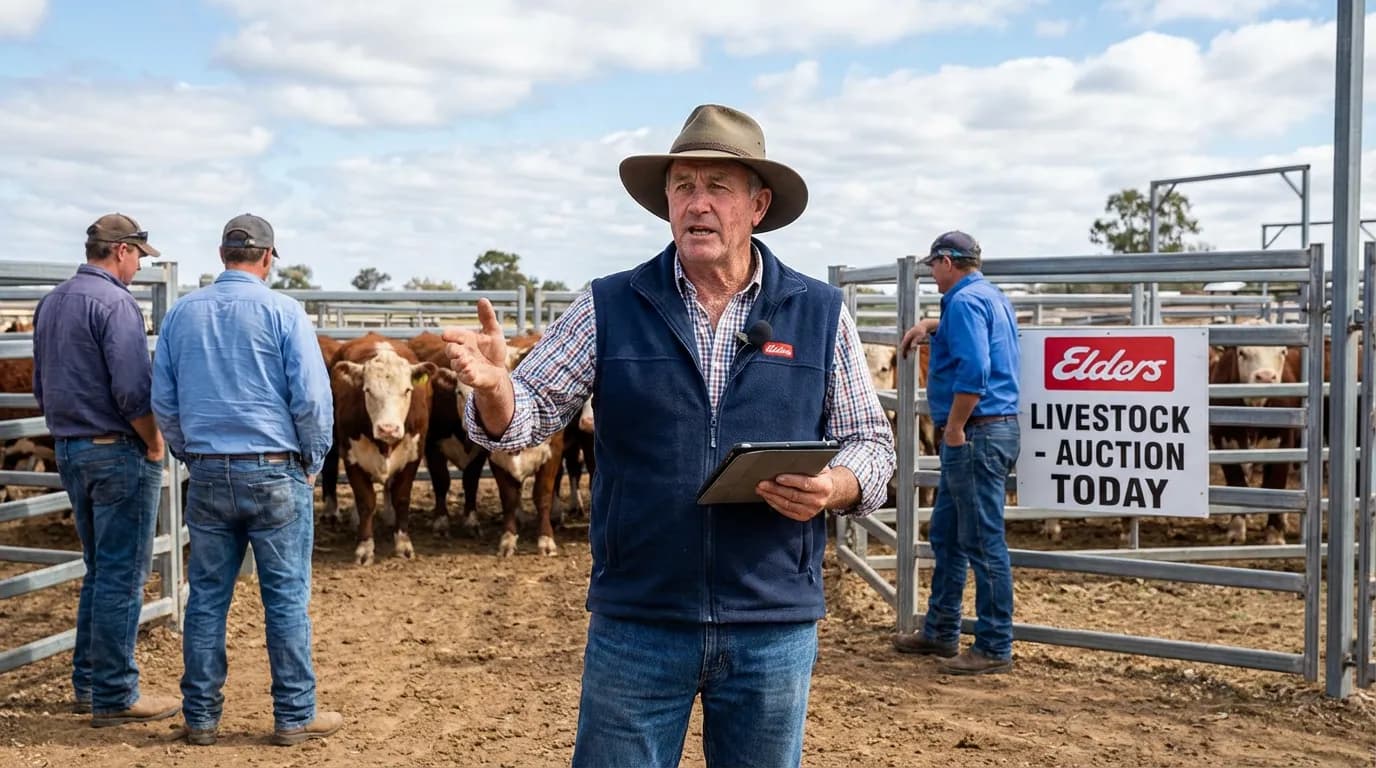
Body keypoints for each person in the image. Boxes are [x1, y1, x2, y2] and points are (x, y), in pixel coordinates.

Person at [444, 104, 895, 767]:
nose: (697, 203)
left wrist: (833, 486)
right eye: (683, 186)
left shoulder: (819, 313)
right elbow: (527, 414)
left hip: (771, 621)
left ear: (758, 204)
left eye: (717, 186)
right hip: (640, 619)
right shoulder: (611, 304)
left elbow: (872, 445)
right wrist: (494, 389)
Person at [151, 214, 339, 746]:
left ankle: (201, 717)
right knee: (285, 596)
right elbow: (311, 398)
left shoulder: (183, 313)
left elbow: (163, 399)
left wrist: (190, 454)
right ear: (267, 258)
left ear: (221, 254)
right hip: (275, 468)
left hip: (209, 472)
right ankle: (295, 715)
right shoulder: (284, 310)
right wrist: (312, 460)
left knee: (207, 596)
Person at [32, 213, 178, 726]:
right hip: (116, 449)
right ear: (120, 250)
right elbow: (132, 390)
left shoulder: (52, 301)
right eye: (139, 255)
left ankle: (89, 684)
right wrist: (155, 442)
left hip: (70, 447)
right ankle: (116, 694)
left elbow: (40, 386)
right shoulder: (115, 302)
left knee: (101, 570)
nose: (139, 265)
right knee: (123, 573)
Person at [891, 230, 1021, 675]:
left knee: (982, 540)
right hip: (989, 430)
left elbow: (976, 369)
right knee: (948, 534)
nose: (932, 274)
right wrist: (933, 326)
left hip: (974, 433)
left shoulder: (965, 302)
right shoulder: (989, 297)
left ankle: (994, 644)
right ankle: (942, 629)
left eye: (934, 266)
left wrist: (955, 428)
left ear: (947, 262)